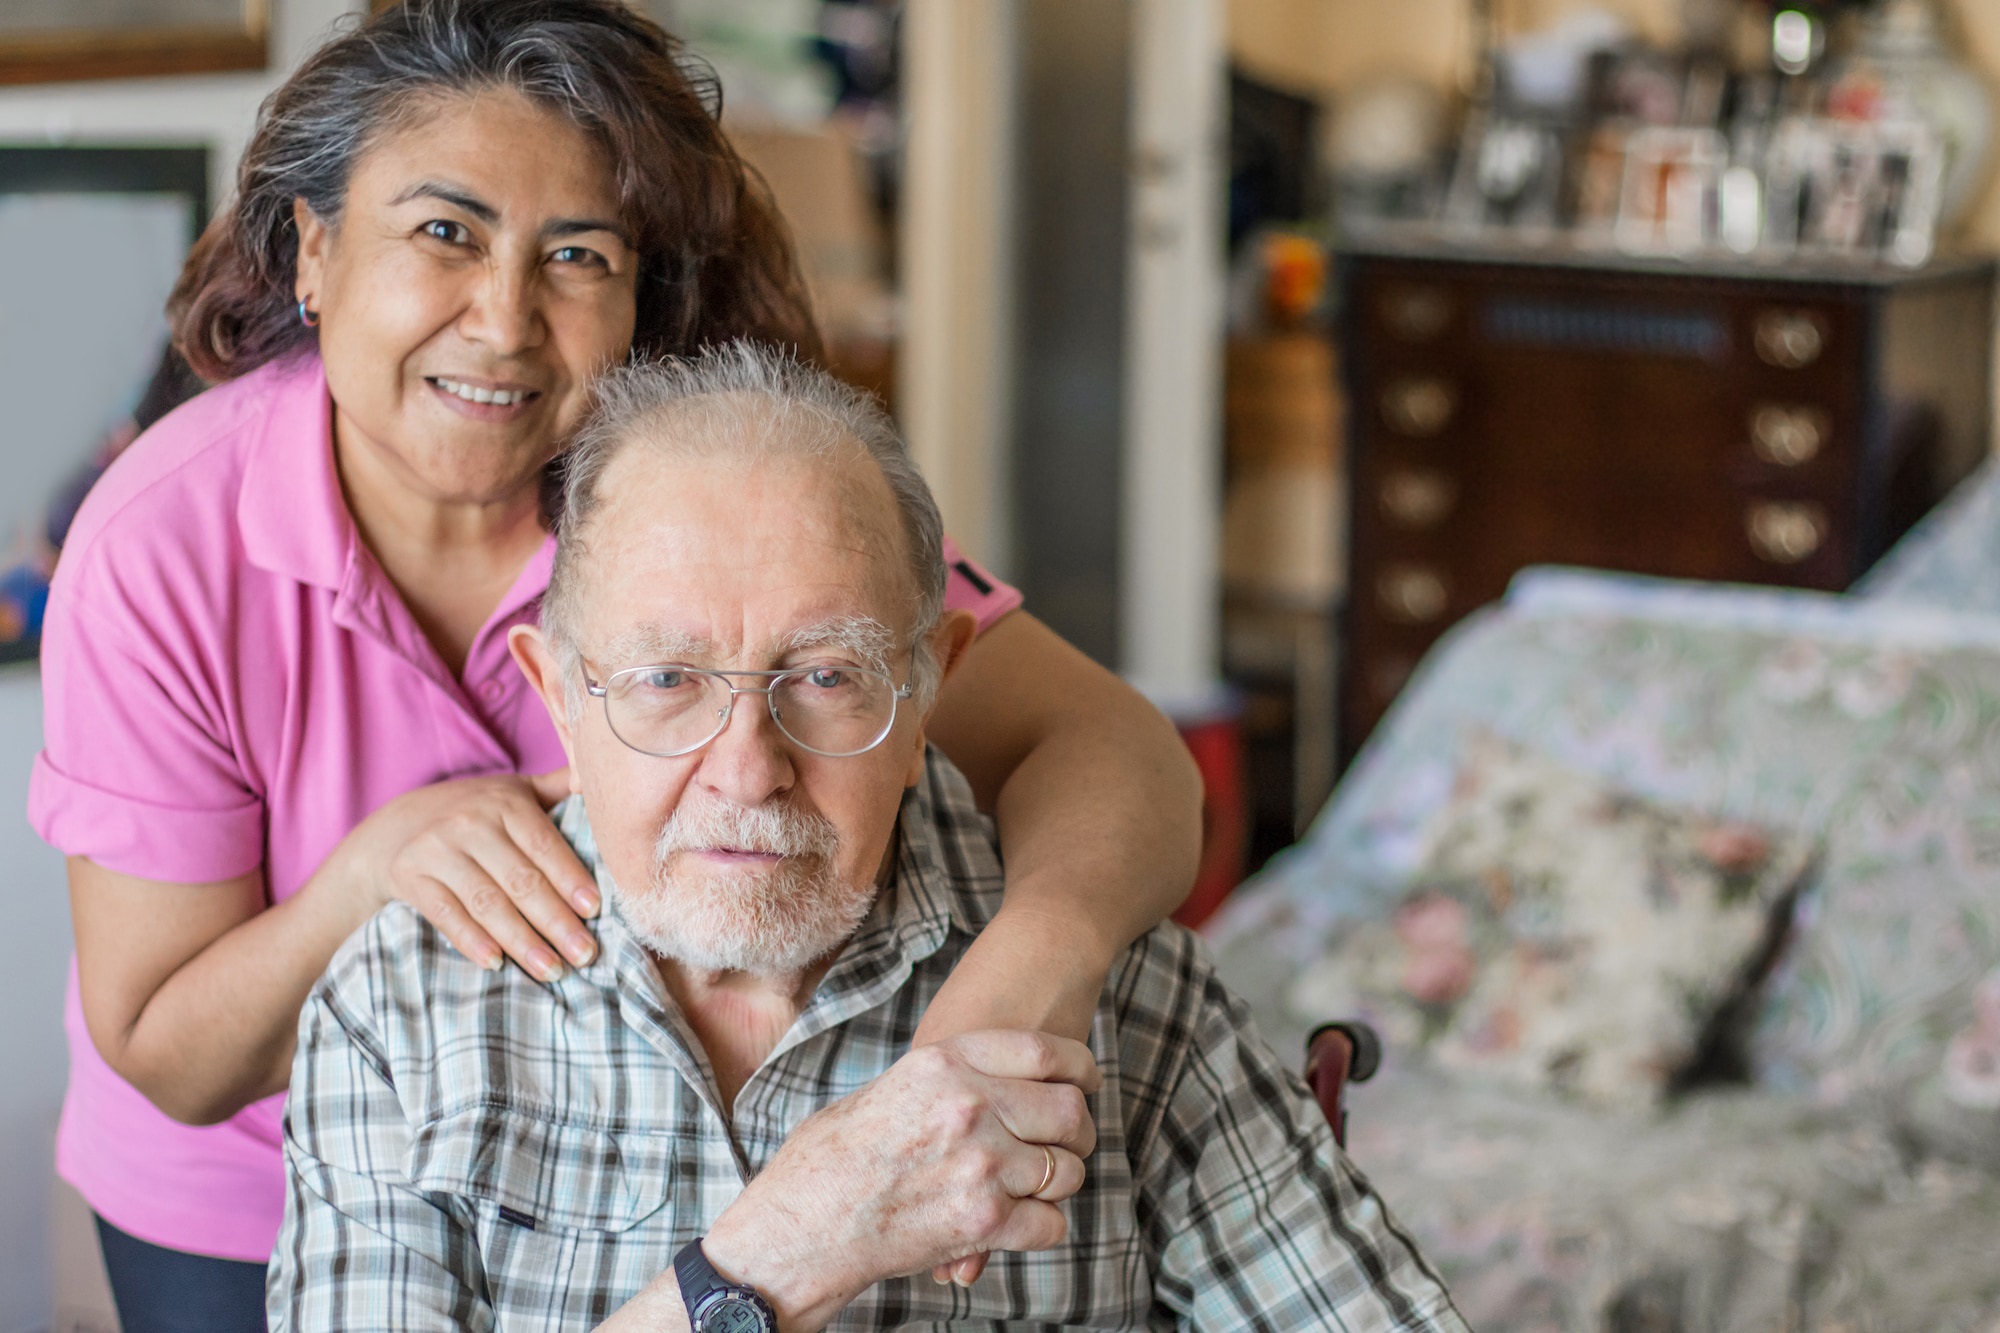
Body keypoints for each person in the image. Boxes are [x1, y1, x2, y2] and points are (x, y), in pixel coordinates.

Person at [28, 2, 1201, 1327]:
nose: (505, 317)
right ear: (314, 253)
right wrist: (376, 868)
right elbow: (165, 1056)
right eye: (444, 232)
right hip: (246, 1209)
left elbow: (1122, 753)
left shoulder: (700, 510)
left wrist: (1021, 976)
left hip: (637, 1183)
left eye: (577, 254)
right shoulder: (164, 540)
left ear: (642, 298)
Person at [269, 345, 1464, 1331]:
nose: (746, 766)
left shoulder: (1120, 992)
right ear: (561, 695)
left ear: (931, 679)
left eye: (828, 675)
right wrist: (788, 1247)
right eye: (668, 677)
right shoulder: (403, 1011)